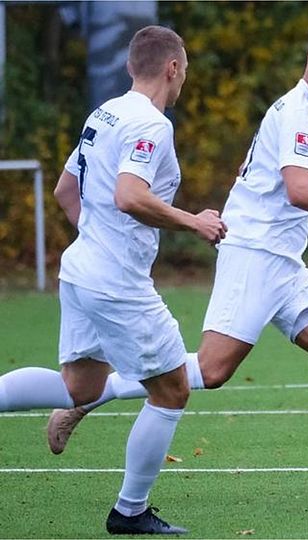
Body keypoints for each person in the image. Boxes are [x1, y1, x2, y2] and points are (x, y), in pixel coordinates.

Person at [38, 20, 308, 503]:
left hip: (283, 260)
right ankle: (99, 394)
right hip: (255, 255)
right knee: (211, 371)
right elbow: (299, 190)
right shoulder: (300, 113)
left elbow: (273, 175)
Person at [0, 26, 227, 533]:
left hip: (81, 268)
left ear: (130, 67)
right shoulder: (151, 124)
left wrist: (98, 239)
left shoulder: (104, 113)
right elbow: (129, 195)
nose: (184, 77)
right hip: (114, 282)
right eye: (185, 69)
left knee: (80, 388)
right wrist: (194, 221)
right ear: (172, 68)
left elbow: (65, 191)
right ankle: (130, 511)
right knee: (171, 391)